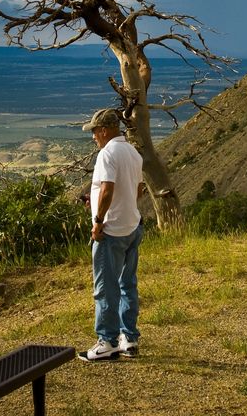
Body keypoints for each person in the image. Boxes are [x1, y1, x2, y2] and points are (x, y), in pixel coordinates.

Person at [79, 108, 145, 361]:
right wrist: (94, 200)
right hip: (132, 226)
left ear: (104, 130)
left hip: (111, 230)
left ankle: (106, 341)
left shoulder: (108, 153)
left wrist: (98, 220)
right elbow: (136, 192)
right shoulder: (132, 152)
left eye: (95, 132)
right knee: (127, 284)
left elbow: (107, 188)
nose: (94, 137)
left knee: (105, 287)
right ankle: (129, 338)